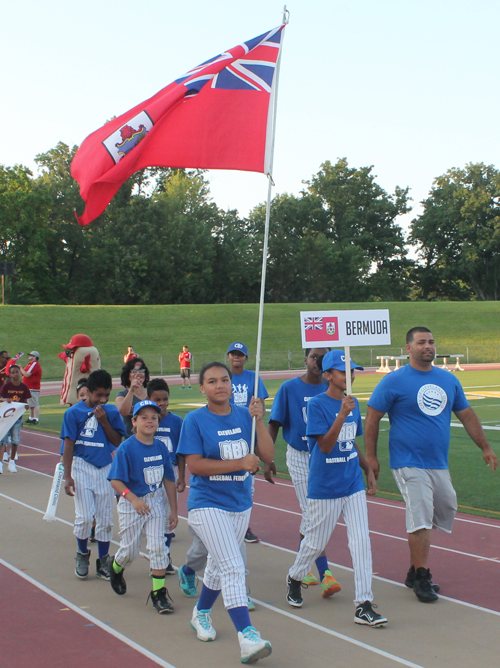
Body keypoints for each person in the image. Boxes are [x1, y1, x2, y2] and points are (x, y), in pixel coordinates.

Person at [364, 326, 498, 603]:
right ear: (409, 348)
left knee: (446, 505)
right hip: (407, 461)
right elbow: (373, 417)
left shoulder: (447, 380)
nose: (428, 346)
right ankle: (423, 576)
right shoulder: (394, 381)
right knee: (421, 515)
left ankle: (414, 570)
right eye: (422, 342)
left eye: (432, 342)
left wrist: (485, 447)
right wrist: (372, 458)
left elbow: (467, 414)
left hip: (438, 462)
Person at [177, 361, 274, 663]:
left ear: (233, 385)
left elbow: (268, 457)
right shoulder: (194, 420)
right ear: (202, 387)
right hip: (207, 505)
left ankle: (201, 613)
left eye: (224, 380)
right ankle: (247, 636)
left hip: (239, 504)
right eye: (212, 381)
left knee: (219, 568)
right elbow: (195, 465)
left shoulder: (247, 415)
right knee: (233, 566)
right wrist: (239, 464)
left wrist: (259, 421)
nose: (219, 386)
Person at [286, 350, 387, 627]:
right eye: (344, 371)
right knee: (315, 542)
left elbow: (348, 444)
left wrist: (367, 469)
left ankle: (363, 604)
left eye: (352, 371)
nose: (350, 375)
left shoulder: (350, 402)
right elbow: (326, 445)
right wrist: (342, 415)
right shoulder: (318, 405)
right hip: (325, 485)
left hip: (351, 481)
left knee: (361, 541)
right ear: (328, 375)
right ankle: (295, 576)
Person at [268, 347, 341, 594]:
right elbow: (275, 422)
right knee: (312, 513)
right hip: (300, 455)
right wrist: (267, 457)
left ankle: (303, 567)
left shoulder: (331, 389)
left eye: (323, 358)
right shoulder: (289, 389)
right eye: (314, 357)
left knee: (318, 514)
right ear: (305, 360)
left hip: (324, 456)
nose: (317, 362)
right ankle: (325, 573)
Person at [108, 400, 179, 614]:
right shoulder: (127, 448)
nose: (149, 421)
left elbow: (168, 479)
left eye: (154, 418)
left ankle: (159, 593)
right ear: (134, 422)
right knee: (130, 550)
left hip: (155, 502)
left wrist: (173, 510)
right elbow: (115, 480)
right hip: (132, 504)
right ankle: (116, 566)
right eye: (144, 417)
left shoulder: (160, 447)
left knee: (158, 547)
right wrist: (133, 499)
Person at [61, 369, 126, 581]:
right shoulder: (73, 413)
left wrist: (105, 421)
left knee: (106, 518)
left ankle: (104, 560)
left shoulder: (111, 412)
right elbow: (68, 444)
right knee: (85, 516)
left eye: (106, 395)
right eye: (98, 395)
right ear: (87, 391)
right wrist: (67, 475)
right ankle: (82, 553)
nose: (103, 399)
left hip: (105, 467)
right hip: (81, 466)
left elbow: (117, 442)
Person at [227, 341, 269, 544]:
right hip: (227, 433)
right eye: (233, 354)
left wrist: (258, 413)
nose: (237, 357)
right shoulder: (224, 377)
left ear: (246, 358)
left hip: (248, 435)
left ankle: (243, 525)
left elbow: (262, 405)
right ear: (228, 357)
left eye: (240, 354)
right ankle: (228, 521)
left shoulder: (253, 377)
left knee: (247, 483)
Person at [147, 378, 185, 573]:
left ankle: (165, 555)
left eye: (164, 399)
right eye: (156, 400)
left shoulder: (176, 421)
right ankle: (156, 552)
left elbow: (181, 452)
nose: (161, 403)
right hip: (149, 473)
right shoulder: (147, 420)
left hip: (170, 472)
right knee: (153, 515)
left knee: (169, 515)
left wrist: (182, 477)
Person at [0, 364, 31, 473]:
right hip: (7, 418)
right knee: (2, 440)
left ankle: (12, 461)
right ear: (10, 374)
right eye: (12, 372)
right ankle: (0, 463)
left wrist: (26, 408)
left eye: (17, 372)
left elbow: (26, 403)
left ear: (20, 373)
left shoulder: (24, 387)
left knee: (15, 440)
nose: (15, 374)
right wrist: (5, 400)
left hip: (17, 419)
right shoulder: (6, 387)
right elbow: (1, 399)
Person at [115, 358, 150, 435]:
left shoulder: (151, 392)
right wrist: (132, 390)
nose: (138, 373)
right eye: (134, 371)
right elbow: (124, 412)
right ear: (128, 375)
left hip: (150, 438)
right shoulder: (122, 395)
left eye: (141, 370)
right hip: (131, 438)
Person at [20, 351, 42, 424]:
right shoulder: (30, 364)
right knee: (31, 403)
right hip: (29, 387)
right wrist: (22, 369)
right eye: (29, 355)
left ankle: (36, 418)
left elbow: (27, 374)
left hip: (33, 387)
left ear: (35, 357)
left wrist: (20, 368)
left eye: (31, 356)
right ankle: (31, 417)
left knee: (34, 403)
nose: (29, 357)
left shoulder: (34, 363)